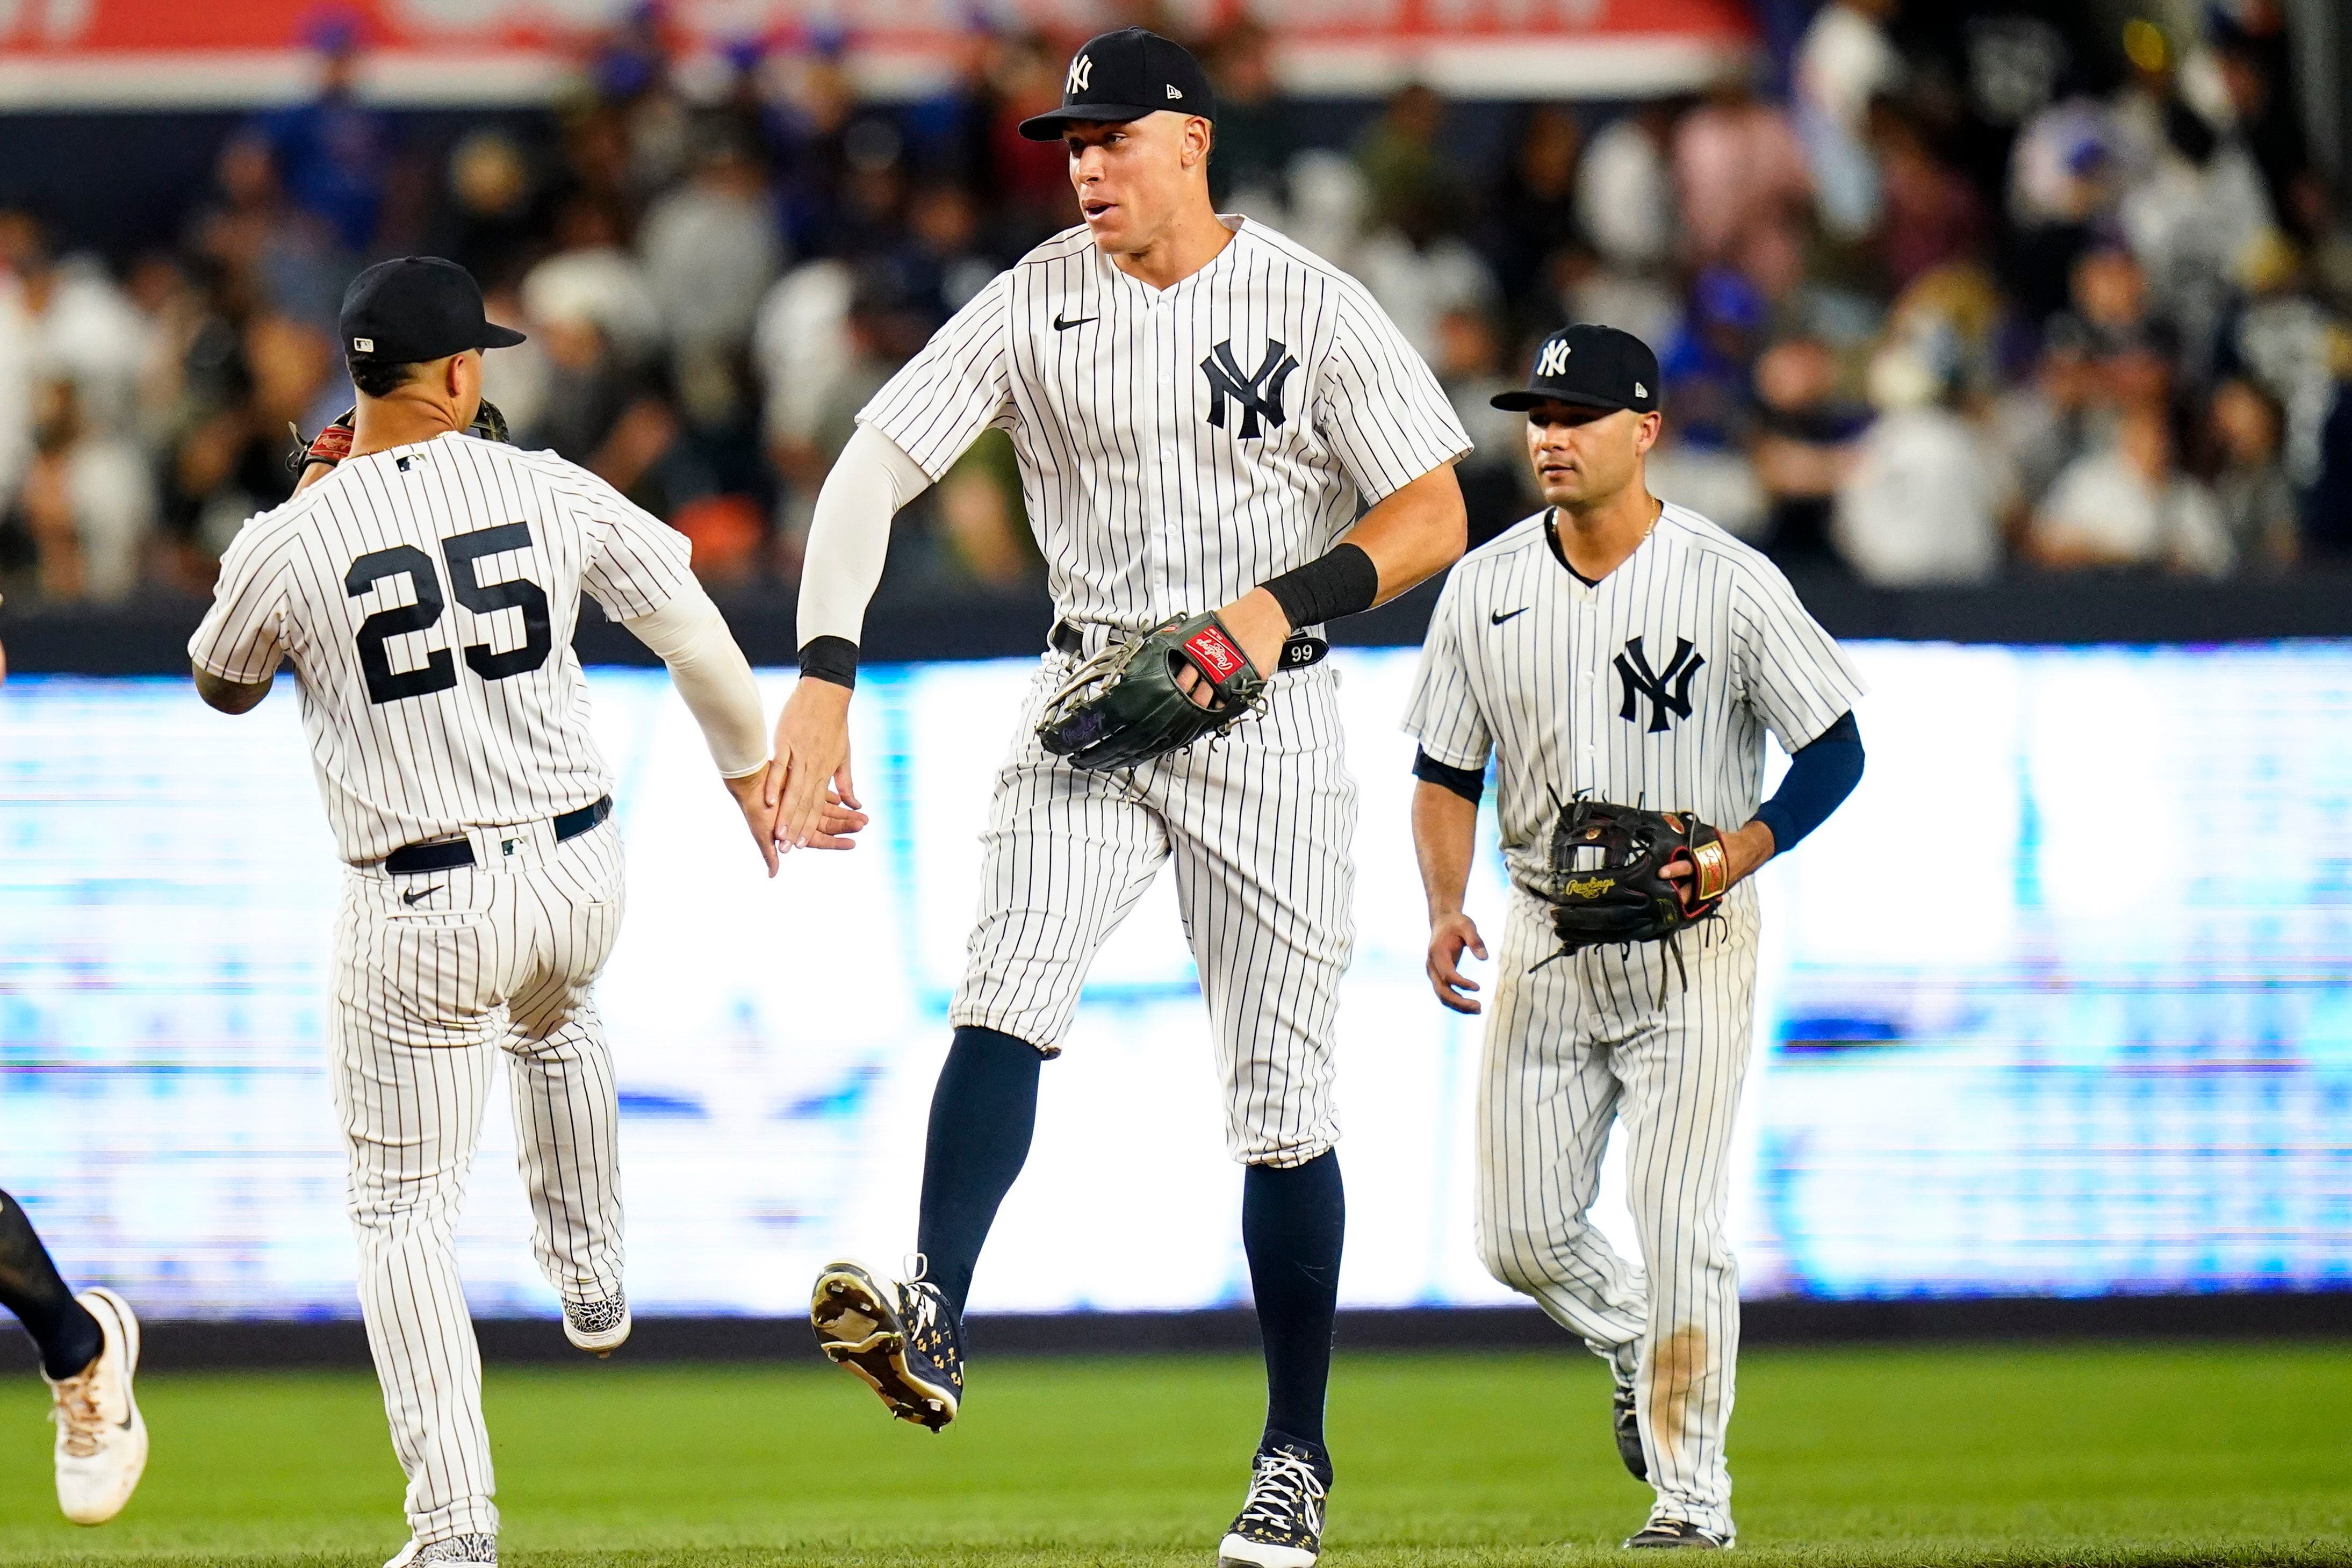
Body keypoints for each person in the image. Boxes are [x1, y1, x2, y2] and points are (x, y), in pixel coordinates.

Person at [766, 29, 1469, 1568]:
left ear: (1193, 141)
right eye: (1067, 141)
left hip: (1264, 713)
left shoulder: (1305, 299)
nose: (1082, 162)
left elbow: (1433, 504)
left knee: (1281, 1104)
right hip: (1090, 696)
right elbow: (869, 473)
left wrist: (1287, 602)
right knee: (1001, 993)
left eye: (1111, 136)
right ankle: (934, 1306)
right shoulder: (1035, 298)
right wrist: (824, 669)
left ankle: (1295, 1448)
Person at [186, 256, 860, 1568]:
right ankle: (593, 1266)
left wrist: (299, 507)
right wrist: (744, 780)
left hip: (419, 895)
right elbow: (689, 627)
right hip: (573, 872)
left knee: (400, 1215)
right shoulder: (543, 481)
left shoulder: (296, 531)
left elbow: (222, 681)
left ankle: (454, 1531)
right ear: (454, 374)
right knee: (555, 1019)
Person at [1402, 325, 1866, 1549]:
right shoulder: (1485, 584)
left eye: (1577, 416)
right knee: (1516, 1236)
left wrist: (1730, 852)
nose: (1548, 437)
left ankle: (1690, 1501)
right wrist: (1443, 905)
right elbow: (1443, 771)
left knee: (1680, 1221)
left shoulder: (1725, 576)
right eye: (1537, 416)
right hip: (1543, 932)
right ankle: (1629, 1339)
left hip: (1689, 934)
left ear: (1644, 430)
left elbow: (1835, 750)